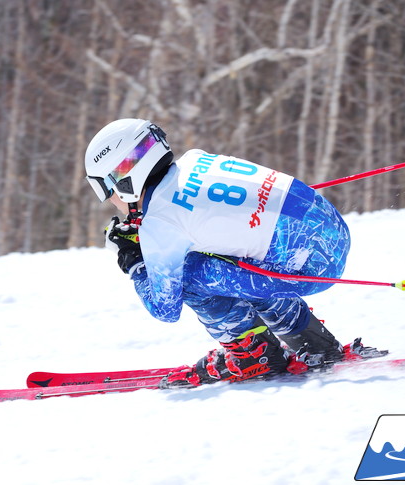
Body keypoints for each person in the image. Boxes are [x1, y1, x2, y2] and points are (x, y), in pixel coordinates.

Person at [84, 118, 380, 387]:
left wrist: (134, 261)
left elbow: (165, 308)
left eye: (104, 190)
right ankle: (311, 340)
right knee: (222, 253)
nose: (109, 201)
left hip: (311, 266)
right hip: (330, 233)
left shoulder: (160, 225)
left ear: (122, 180)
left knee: (186, 273)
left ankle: (253, 356)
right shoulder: (194, 160)